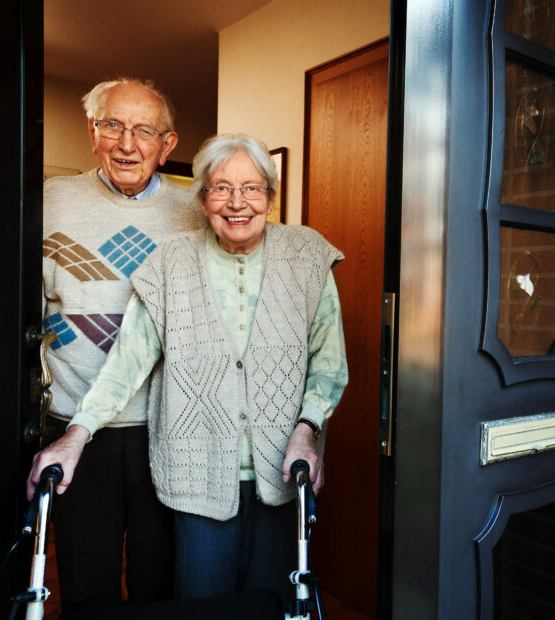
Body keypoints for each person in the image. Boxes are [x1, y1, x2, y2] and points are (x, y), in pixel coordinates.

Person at [31, 133, 347, 605]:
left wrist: (307, 429)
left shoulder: (307, 255)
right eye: (221, 188)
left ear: (270, 196)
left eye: (252, 188)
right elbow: (128, 361)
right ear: (201, 198)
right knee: (201, 604)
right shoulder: (169, 263)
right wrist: (75, 436)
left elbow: (329, 362)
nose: (237, 202)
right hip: (197, 475)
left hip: (283, 472)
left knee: (273, 605)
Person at [28, 77, 205, 607]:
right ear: (92, 133)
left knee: (160, 577)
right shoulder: (47, 200)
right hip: (77, 423)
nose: (127, 144)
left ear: (167, 144)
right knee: (86, 578)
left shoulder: (194, 213)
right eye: (113, 126)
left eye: (143, 131)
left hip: (165, 423)